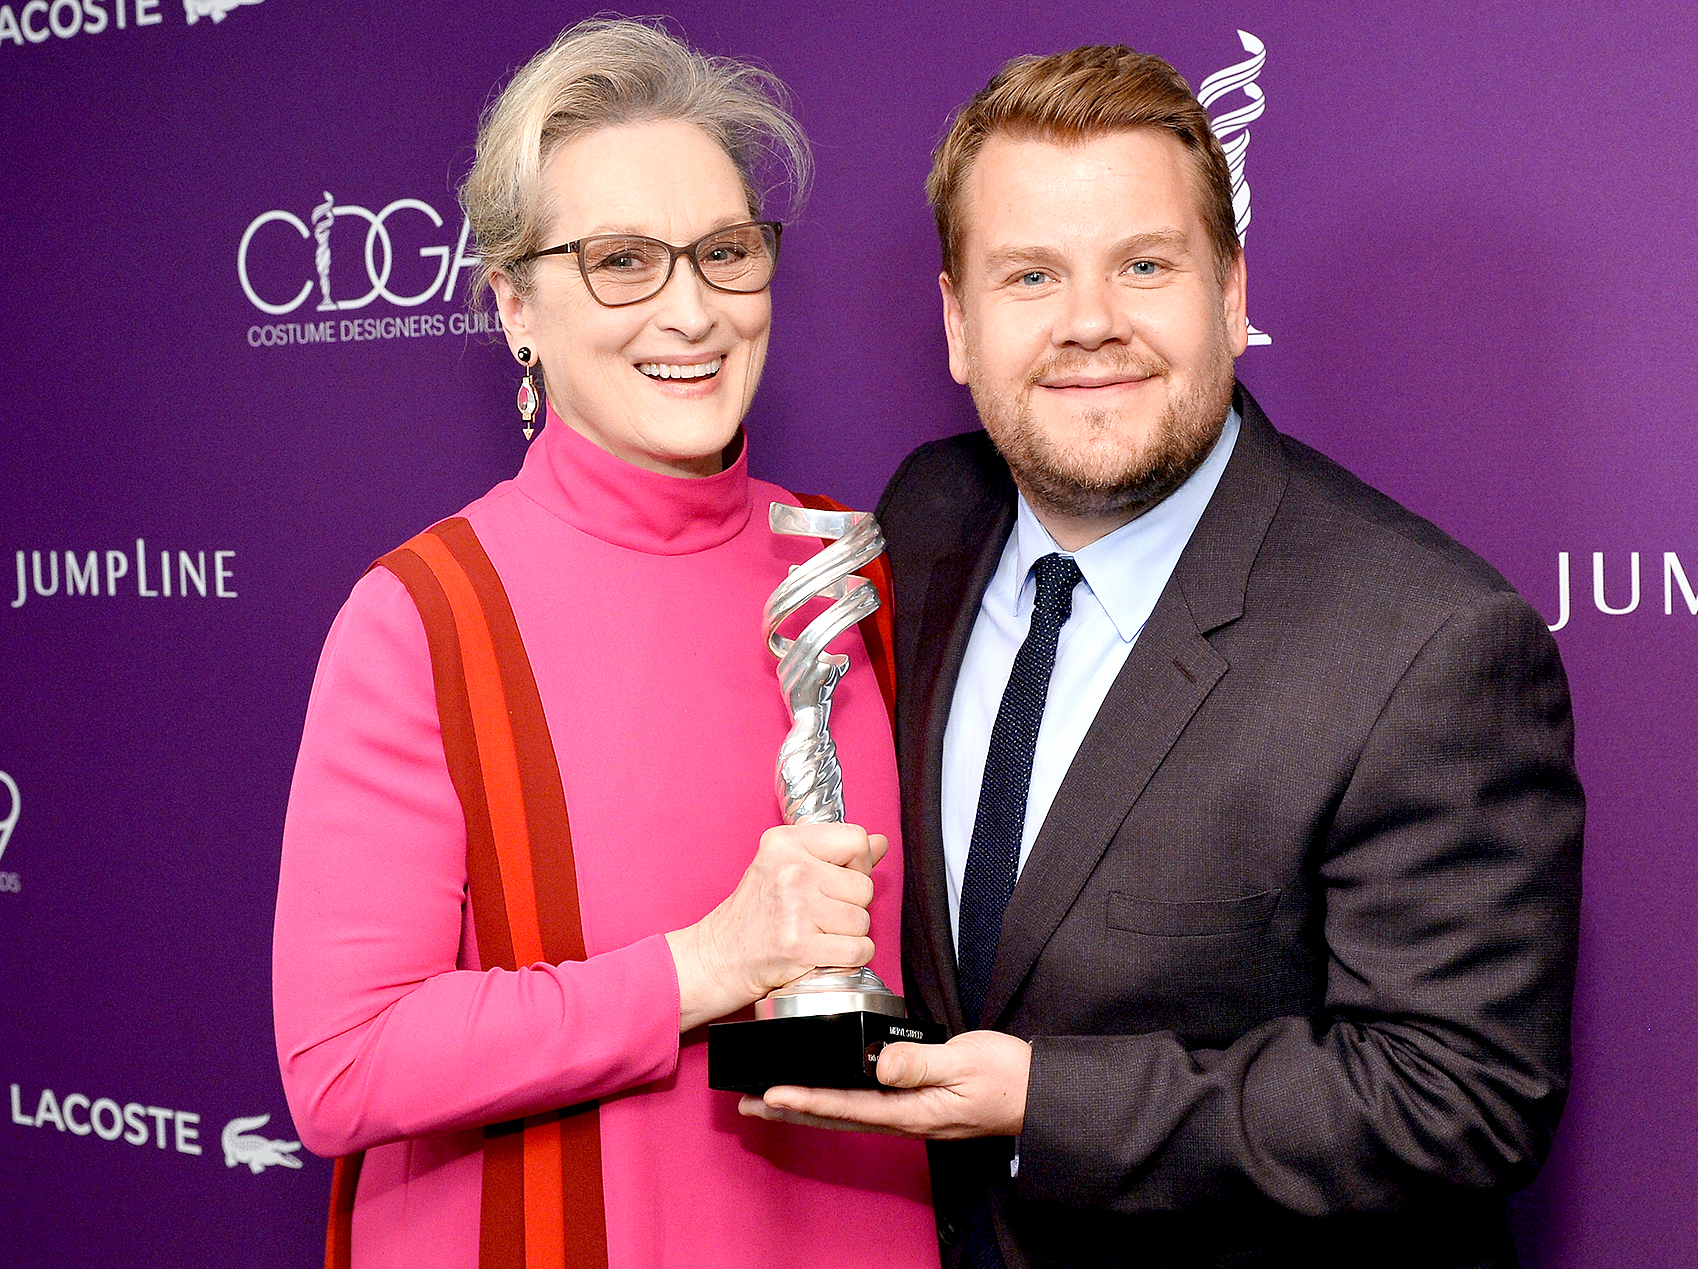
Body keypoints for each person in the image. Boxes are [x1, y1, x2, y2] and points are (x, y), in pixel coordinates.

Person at [742, 45, 1584, 1269]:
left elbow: (1458, 1098)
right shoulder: (922, 522)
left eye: (1145, 265)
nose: (1091, 323)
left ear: (1233, 295)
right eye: (1030, 275)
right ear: (958, 324)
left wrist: (1046, 1104)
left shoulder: (1430, 642)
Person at [272, 18, 937, 1269]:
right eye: (622, 261)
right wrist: (706, 963)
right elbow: (342, 1061)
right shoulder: (428, 614)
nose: (690, 310)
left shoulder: (852, 572)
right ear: (515, 305)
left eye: (725, 253)